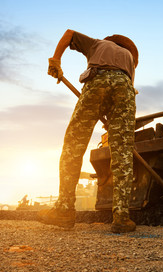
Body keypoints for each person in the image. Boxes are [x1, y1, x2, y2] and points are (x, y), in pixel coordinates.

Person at [38, 29, 138, 233]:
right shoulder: (129, 60)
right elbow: (123, 92)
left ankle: (64, 210)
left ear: (109, 41)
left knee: (73, 145)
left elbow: (69, 33)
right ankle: (121, 217)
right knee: (123, 154)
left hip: (97, 80)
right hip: (125, 89)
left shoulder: (97, 44)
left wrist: (55, 60)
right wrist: (115, 123)